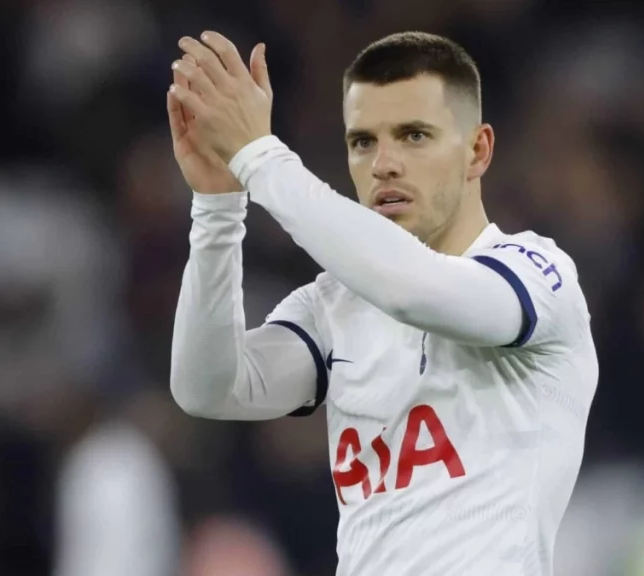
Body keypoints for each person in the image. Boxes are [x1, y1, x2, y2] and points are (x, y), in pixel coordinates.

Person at [167, 30, 599, 576]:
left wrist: (260, 157)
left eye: (414, 136)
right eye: (363, 142)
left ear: (478, 150)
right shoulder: (333, 305)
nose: (384, 164)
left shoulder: (538, 276)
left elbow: (413, 291)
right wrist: (217, 208)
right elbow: (208, 388)